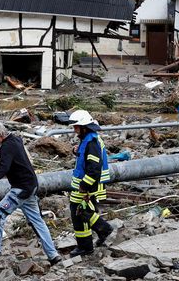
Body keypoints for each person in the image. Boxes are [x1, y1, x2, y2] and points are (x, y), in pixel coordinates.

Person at [0, 121, 60, 267]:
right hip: (31, 186)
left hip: (20, 190)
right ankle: (53, 255)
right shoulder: (15, 139)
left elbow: (3, 169)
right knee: (37, 222)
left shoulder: (6, 147)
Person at [67, 110, 114, 257]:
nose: (74, 130)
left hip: (87, 186)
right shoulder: (88, 139)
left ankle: (102, 231)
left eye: (76, 127)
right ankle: (87, 244)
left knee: (81, 212)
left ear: (84, 127)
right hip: (85, 185)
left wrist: (84, 187)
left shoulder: (91, 142)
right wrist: (77, 151)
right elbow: (86, 159)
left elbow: (94, 169)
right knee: (81, 213)